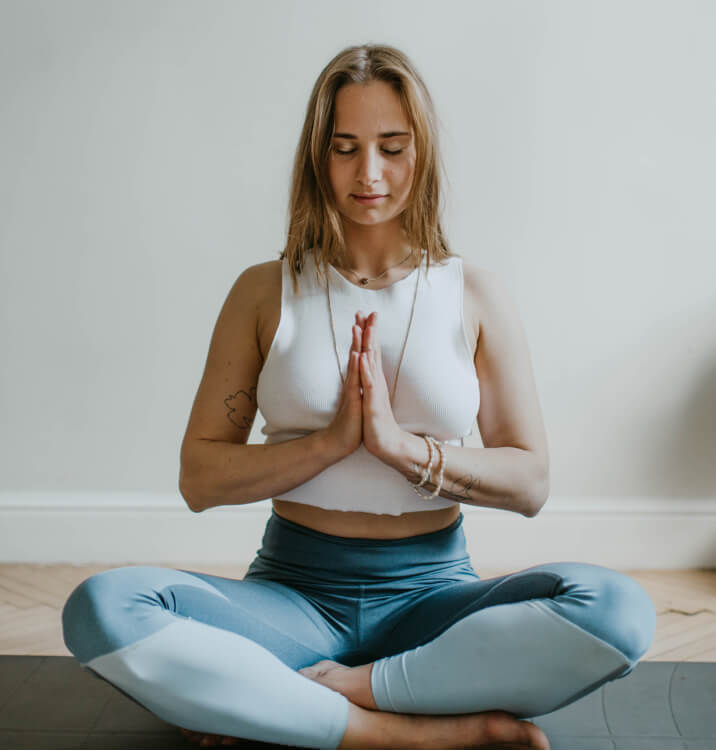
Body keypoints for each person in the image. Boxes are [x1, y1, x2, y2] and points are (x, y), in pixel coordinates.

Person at [61, 43, 656, 750]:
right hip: (291, 598)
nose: (368, 173)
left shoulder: (474, 294)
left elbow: (530, 481)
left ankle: (300, 701)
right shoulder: (263, 291)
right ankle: (412, 731)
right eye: (345, 148)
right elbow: (200, 478)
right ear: (319, 157)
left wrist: (400, 448)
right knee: (102, 607)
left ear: (422, 153)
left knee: (618, 610)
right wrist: (329, 444)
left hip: (435, 603)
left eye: (391, 147)